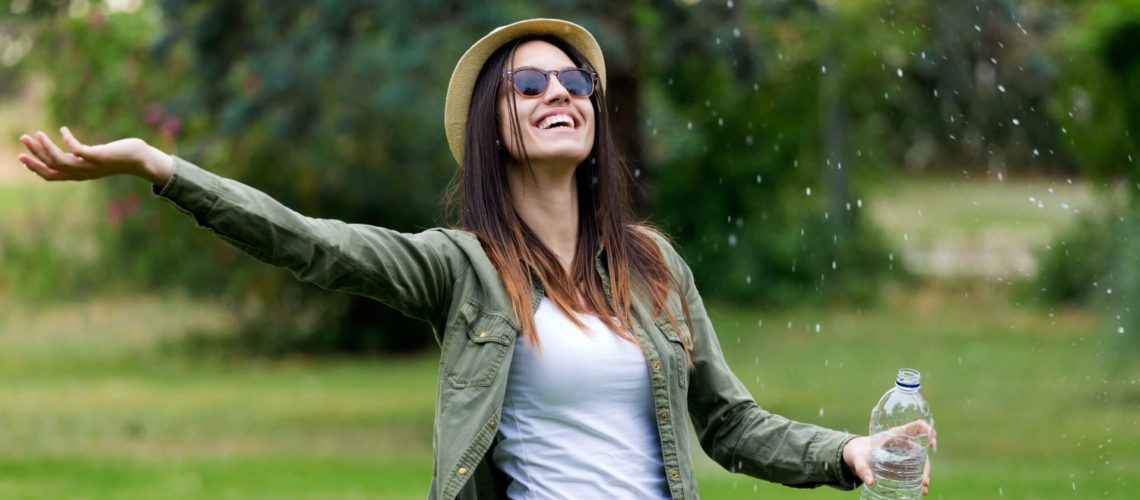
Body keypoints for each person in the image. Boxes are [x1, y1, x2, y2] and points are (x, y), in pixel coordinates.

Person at [16, 18, 935, 500]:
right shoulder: (462, 269)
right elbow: (309, 243)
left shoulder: (653, 266)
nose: (558, 94)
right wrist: (163, 167)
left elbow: (729, 426)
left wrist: (846, 450)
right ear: (494, 125)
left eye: (574, 82)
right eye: (528, 84)